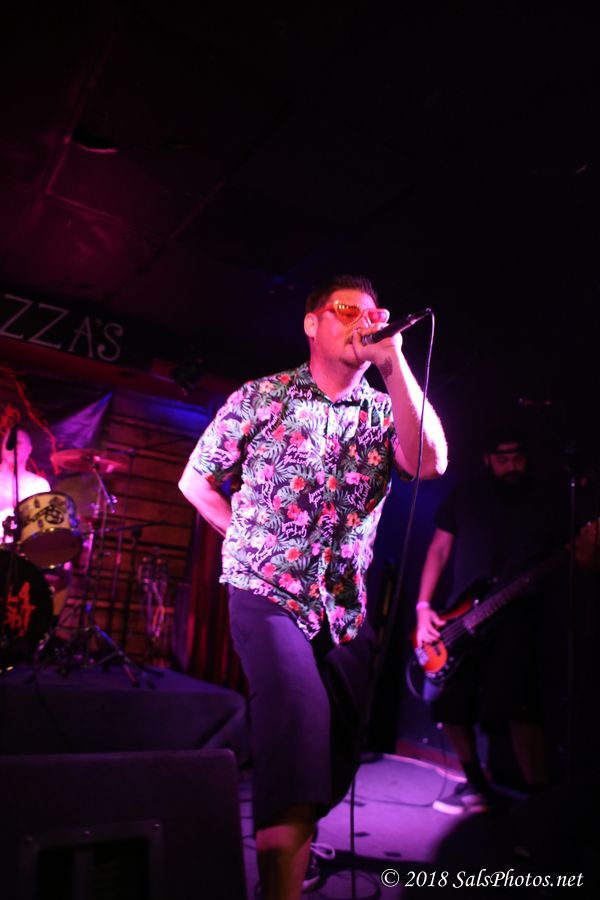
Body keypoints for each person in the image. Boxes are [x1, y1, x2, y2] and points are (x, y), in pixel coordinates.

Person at [179, 275, 447, 899]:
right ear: (312, 323)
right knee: (296, 729)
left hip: (345, 608)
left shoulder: (385, 410)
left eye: (373, 314)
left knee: (333, 756)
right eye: (346, 310)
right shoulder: (263, 396)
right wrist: (245, 539)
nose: (363, 322)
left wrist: (394, 361)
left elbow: (430, 461)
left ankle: (294, 845)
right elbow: (196, 481)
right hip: (266, 593)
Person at [414, 427, 561, 815]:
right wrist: (423, 606)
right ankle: (475, 783)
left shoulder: (545, 501)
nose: (512, 466)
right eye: (503, 459)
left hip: (518, 617)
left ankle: (542, 808)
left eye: (518, 458)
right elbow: (439, 549)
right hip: (462, 618)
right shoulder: (465, 497)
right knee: (448, 705)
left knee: (519, 708)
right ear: (487, 460)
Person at [0, 427, 51, 543]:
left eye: (18, 443)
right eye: (9, 443)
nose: (13, 447)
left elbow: (42, 526)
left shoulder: (39, 485)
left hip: (24, 548)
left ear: (29, 450)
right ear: (2, 447)